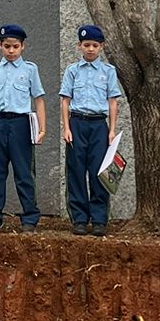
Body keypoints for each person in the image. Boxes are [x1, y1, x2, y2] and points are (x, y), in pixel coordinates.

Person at [0, 24, 47, 232]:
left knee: (24, 172)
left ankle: (29, 217)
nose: (11, 50)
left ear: (23, 46)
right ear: (0, 46)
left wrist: (42, 128)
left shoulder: (30, 70)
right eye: (7, 46)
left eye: (15, 46)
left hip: (21, 124)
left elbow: (39, 99)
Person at [59, 23, 122, 236]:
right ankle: (79, 218)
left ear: (101, 47)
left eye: (95, 45)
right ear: (79, 45)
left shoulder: (108, 71)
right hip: (77, 123)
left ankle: (99, 219)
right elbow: (65, 101)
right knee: (76, 172)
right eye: (86, 45)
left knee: (99, 172)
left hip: (98, 125)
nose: (90, 49)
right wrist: (66, 128)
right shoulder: (72, 71)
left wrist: (112, 130)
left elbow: (113, 102)